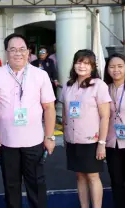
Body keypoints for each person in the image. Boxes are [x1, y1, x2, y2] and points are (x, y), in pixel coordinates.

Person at [0, 33, 56, 208]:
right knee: (11, 186)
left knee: (36, 185)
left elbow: (49, 108)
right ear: (6, 53)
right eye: (13, 50)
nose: (18, 53)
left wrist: (50, 137)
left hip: (34, 141)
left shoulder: (40, 75)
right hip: (6, 141)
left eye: (22, 49)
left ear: (28, 52)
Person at [60, 49, 111, 208]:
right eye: (79, 62)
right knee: (80, 176)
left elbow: (105, 116)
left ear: (93, 67)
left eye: (87, 63)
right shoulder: (68, 85)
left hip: (91, 140)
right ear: (74, 64)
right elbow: (64, 112)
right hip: (73, 140)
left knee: (92, 176)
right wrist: (65, 135)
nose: (82, 66)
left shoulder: (99, 85)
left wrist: (101, 143)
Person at [103, 52, 125, 208]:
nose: (116, 70)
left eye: (120, 66)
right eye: (112, 66)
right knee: (116, 180)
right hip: (111, 141)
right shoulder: (103, 88)